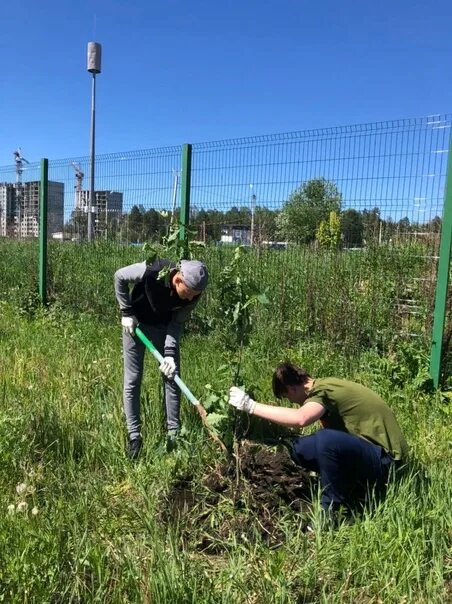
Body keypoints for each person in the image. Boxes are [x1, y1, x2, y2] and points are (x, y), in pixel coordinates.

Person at [229, 362, 408, 523]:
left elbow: (301, 419)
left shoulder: (322, 392)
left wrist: (250, 406)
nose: (292, 402)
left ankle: (331, 512)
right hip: (369, 453)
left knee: (326, 439)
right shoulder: (327, 385)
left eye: (287, 397)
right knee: (301, 447)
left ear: (292, 389)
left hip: (387, 462)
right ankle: (332, 488)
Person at [114, 257, 208, 459]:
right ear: (177, 280)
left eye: (195, 295)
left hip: (163, 328)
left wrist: (169, 355)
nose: (190, 299)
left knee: (172, 377)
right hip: (135, 325)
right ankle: (135, 437)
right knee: (133, 379)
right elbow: (120, 276)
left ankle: (173, 435)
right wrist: (126, 311)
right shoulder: (154, 269)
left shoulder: (195, 294)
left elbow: (176, 324)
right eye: (189, 293)